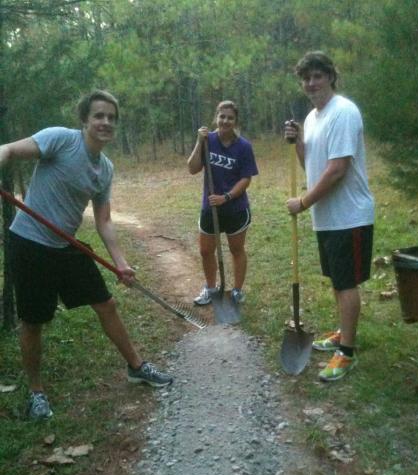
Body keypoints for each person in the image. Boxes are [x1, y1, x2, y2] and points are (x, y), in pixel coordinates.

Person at [0, 90, 173, 419]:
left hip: (66, 244)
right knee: (34, 321)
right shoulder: (60, 140)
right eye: (99, 116)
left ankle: (136, 366)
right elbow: (9, 150)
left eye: (111, 117)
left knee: (106, 303)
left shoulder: (105, 169)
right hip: (29, 242)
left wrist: (121, 263)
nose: (105, 122)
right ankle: (36, 393)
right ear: (85, 120)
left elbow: (104, 221)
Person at [285, 51, 375, 382]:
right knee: (338, 280)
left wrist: (304, 202)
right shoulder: (312, 118)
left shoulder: (344, 112)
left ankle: (346, 353)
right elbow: (313, 164)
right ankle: (343, 332)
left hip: (349, 215)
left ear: (331, 77)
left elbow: (337, 170)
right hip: (327, 216)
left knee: (346, 282)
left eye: (317, 76)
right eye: (306, 78)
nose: (311, 83)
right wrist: (296, 143)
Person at [187, 100, 258, 306]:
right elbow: (192, 168)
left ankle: (236, 290)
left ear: (235, 121)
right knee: (206, 250)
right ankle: (210, 288)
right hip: (210, 208)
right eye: (222, 116)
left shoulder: (243, 146)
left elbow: (246, 179)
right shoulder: (207, 140)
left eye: (230, 118)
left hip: (235, 208)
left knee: (237, 250)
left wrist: (226, 197)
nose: (225, 121)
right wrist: (200, 142)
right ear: (216, 118)